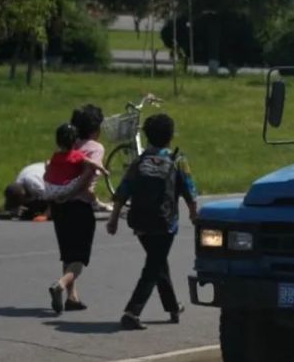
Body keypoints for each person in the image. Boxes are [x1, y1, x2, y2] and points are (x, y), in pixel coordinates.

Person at [107, 113, 197, 330]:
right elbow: (189, 190)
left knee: (158, 262)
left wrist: (113, 219)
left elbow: (123, 190)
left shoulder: (140, 160)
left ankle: (173, 306)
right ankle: (132, 311)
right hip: (165, 224)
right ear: (170, 136)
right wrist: (194, 215)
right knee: (154, 266)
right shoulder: (177, 160)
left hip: (140, 223)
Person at [48, 104, 106, 315]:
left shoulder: (68, 144)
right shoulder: (95, 148)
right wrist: (93, 200)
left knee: (67, 253)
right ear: (95, 129)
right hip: (79, 206)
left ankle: (72, 298)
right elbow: (88, 177)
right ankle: (61, 285)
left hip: (58, 206)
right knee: (79, 259)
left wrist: (61, 196)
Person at [42, 124, 108, 203]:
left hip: (49, 189)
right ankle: (71, 197)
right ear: (75, 141)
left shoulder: (55, 155)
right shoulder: (76, 155)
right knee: (88, 170)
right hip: (64, 190)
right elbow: (92, 163)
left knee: (48, 163)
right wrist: (103, 170)